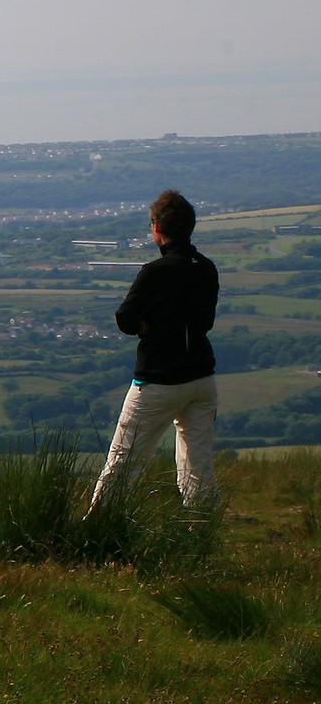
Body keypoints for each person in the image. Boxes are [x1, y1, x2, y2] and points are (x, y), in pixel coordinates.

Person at [89, 189, 222, 512]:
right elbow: (204, 322)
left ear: (156, 228)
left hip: (159, 379)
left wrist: (149, 327)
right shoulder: (206, 267)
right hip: (201, 377)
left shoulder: (155, 272)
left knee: (125, 457)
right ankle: (202, 524)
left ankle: (99, 526)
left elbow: (125, 319)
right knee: (197, 460)